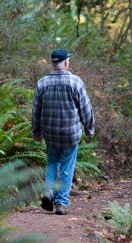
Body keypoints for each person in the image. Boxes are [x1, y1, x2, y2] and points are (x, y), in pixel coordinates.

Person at [31, 48, 94, 215]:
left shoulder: (42, 83)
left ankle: (49, 191)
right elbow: (85, 109)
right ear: (66, 62)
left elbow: (36, 110)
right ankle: (61, 203)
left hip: (50, 134)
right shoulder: (76, 82)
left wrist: (36, 131)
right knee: (67, 166)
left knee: (52, 162)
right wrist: (89, 128)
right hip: (70, 134)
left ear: (53, 63)